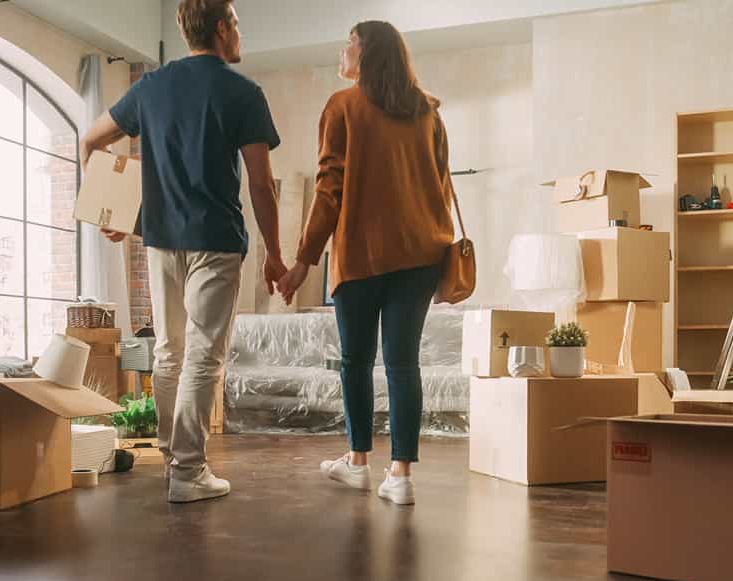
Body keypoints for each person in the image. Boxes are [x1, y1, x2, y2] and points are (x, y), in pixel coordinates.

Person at [79, 0, 287, 503]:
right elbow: (261, 185)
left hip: (160, 240)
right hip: (215, 240)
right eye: (236, 24)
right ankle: (189, 471)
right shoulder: (243, 93)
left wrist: (113, 212)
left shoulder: (151, 87)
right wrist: (274, 253)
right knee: (202, 355)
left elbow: (91, 140)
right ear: (221, 28)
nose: (239, 33)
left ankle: (175, 461)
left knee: (170, 351)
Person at [277, 21, 455, 506]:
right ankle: (401, 476)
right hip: (420, 255)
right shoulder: (427, 112)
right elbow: (441, 186)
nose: (343, 51)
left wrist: (304, 261)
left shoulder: (343, 106)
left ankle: (357, 463)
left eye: (350, 44)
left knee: (356, 361)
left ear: (368, 54)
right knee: (403, 364)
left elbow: (328, 189)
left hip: (360, 255)